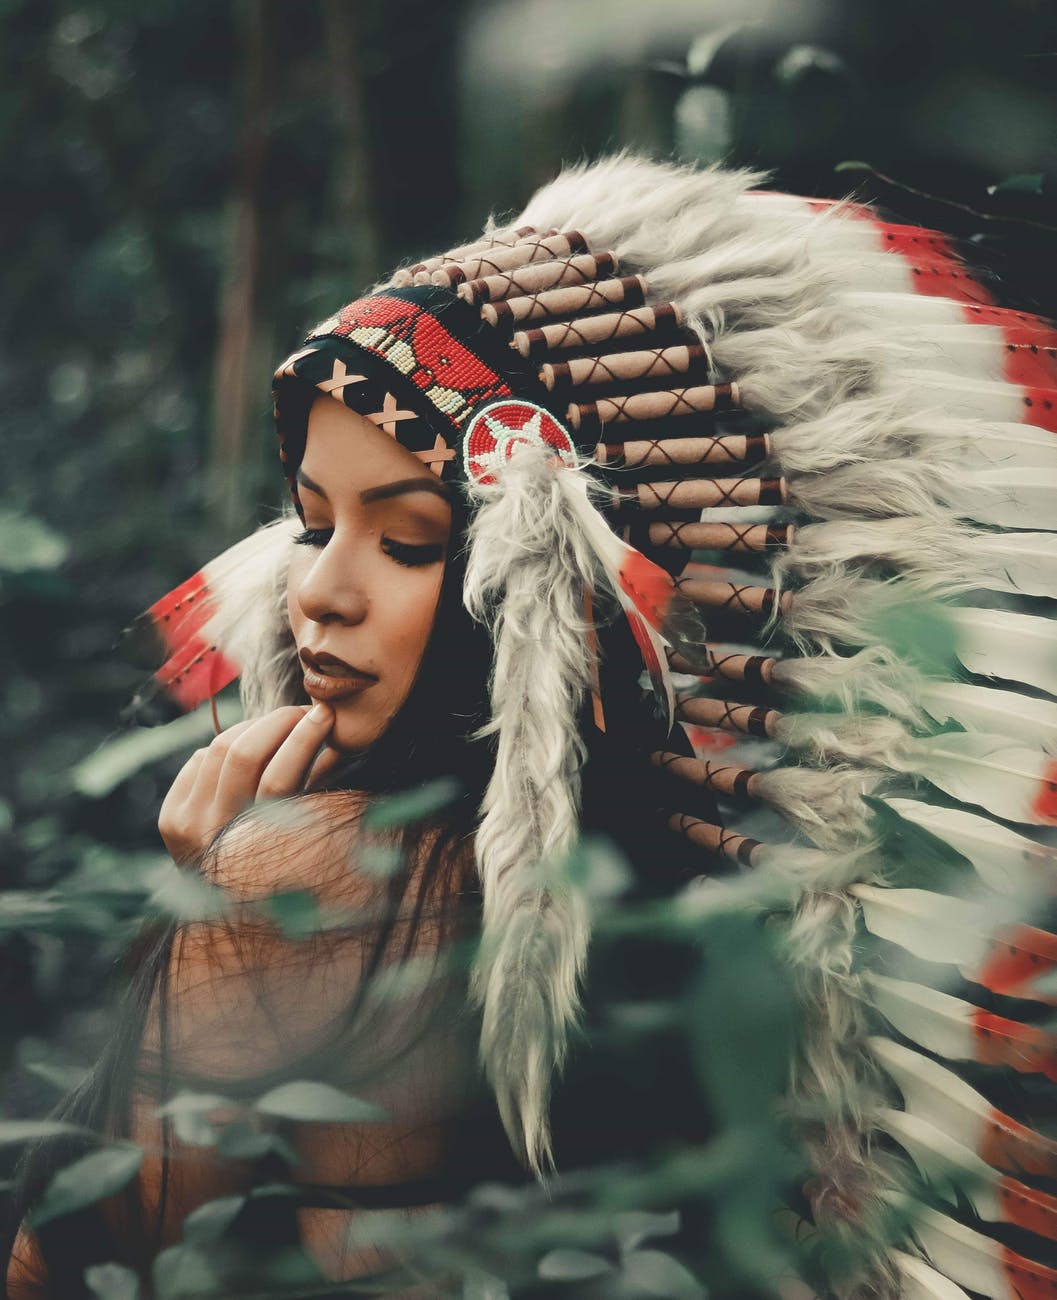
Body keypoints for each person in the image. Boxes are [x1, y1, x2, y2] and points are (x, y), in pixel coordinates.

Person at [6, 151, 1057, 1298]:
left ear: (568, 586)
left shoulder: (330, 885)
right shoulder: (777, 955)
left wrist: (216, 916)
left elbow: (58, 1267)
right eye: (313, 524)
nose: (317, 592)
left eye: (409, 539)